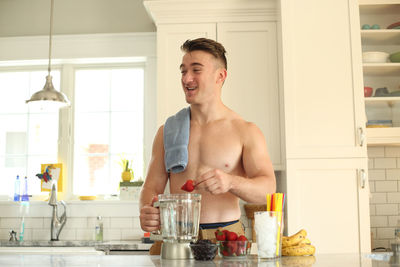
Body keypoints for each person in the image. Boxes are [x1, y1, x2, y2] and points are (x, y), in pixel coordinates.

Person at [139, 38, 276, 252]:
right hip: (175, 238)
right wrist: (146, 211)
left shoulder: (245, 131)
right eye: (183, 71)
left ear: (220, 76)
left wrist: (231, 182)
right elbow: (151, 188)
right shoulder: (167, 131)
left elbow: (268, 190)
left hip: (226, 239)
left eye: (196, 70)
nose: (187, 78)